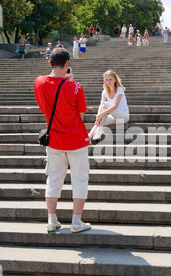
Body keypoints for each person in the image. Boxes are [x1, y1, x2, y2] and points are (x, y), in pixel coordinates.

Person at [34, 48, 91, 234]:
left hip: (54, 140)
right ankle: (76, 222)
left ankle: (52, 219)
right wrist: (69, 82)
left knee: (54, 179)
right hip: (76, 139)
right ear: (67, 64)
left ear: (49, 63)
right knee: (80, 179)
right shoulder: (75, 87)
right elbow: (80, 113)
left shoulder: (39, 82)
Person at [89, 70, 130, 142]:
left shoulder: (119, 89)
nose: (108, 82)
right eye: (106, 80)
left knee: (106, 105)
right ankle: (88, 138)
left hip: (123, 116)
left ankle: (100, 130)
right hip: (114, 117)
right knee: (99, 120)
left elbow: (115, 106)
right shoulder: (105, 91)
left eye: (110, 79)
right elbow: (101, 104)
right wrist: (99, 116)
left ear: (115, 79)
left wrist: (101, 114)